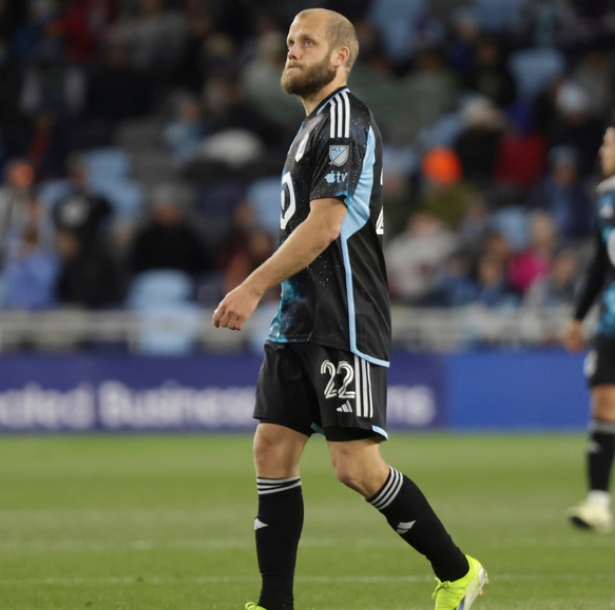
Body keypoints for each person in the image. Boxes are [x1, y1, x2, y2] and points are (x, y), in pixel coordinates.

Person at [211, 10, 487, 610]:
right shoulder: (310, 126)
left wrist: (251, 286)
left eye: (305, 42)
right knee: (271, 448)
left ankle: (460, 572)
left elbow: (327, 225)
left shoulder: (344, 119)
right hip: (299, 317)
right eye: (288, 41)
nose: (291, 50)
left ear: (340, 57)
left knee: (356, 467)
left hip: (344, 316)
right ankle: (273, 602)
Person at [562, 121, 615, 534]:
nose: (602, 150)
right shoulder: (604, 197)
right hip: (611, 321)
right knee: (602, 403)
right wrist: (579, 316)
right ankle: (598, 503)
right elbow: (600, 263)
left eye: (609, 143)